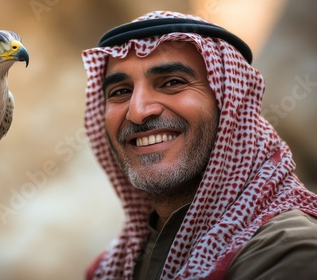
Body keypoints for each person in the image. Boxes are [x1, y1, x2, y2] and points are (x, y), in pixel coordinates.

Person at [81, 11, 317, 279]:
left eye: (172, 83)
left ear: (230, 105)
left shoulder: (288, 251)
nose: (137, 112)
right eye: (121, 91)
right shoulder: (115, 266)